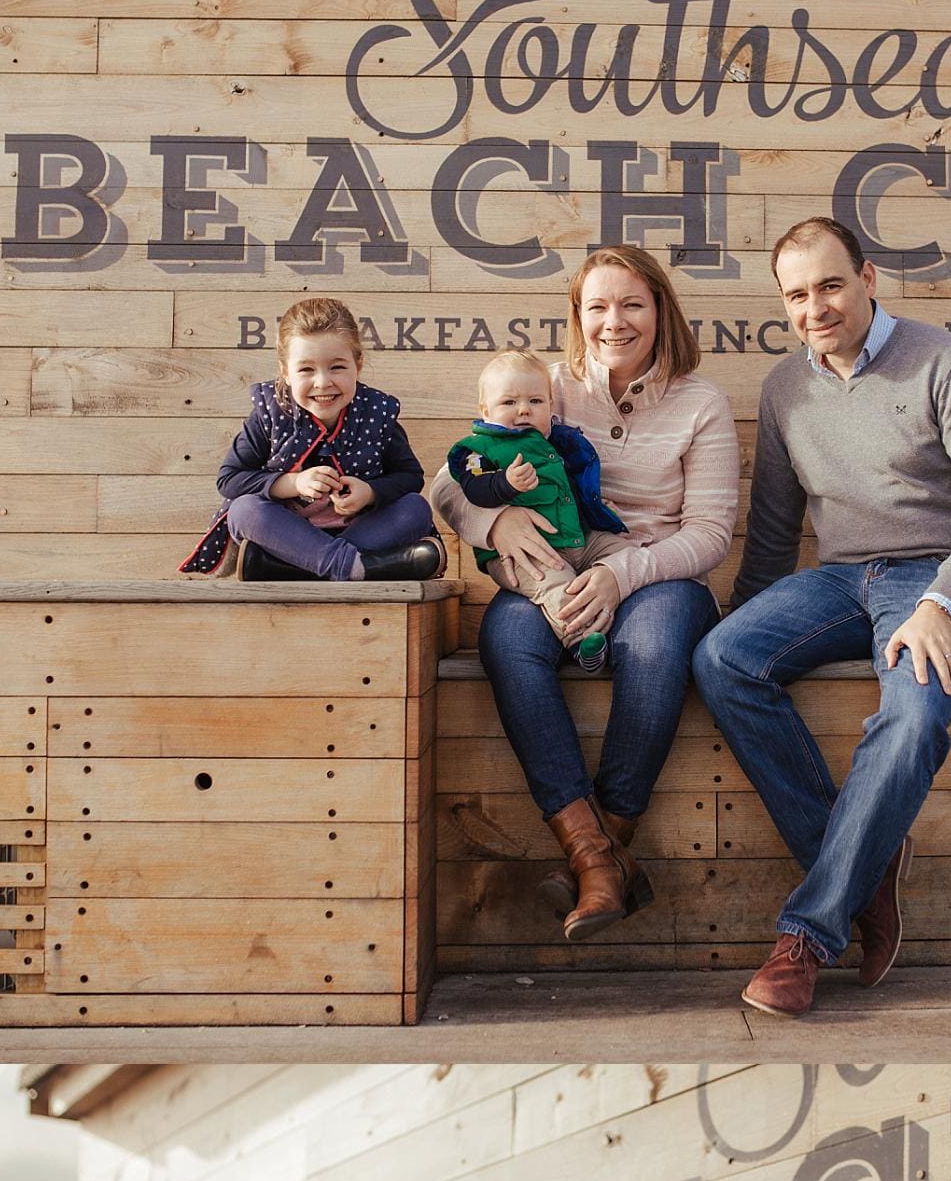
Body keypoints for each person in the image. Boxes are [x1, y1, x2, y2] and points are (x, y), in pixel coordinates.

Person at [692, 219, 951, 1016]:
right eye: (796, 295)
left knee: (910, 718)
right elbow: (774, 533)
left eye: (830, 285)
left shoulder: (941, 361)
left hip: (944, 581)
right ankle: (864, 868)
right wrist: (744, 616)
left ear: (868, 278)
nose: (815, 307)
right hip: (841, 580)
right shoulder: (785, 388)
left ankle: (807, 938)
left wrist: (942, 602)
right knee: (721, 659)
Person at [429, 246, 739, 940]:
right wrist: (495, 521)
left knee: (653, 646)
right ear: (578, 317)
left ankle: (596, 857)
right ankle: (601, 858)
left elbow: (710, 534)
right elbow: (448, 481)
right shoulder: (548, 388)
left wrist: (622, 574)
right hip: (554, 569)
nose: (613, 321)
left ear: (660, 311)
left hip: (660, 577)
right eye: (597, 306)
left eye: (631, 304)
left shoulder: (701, 403)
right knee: (506, 637)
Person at [182, 294, 443, 582]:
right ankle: (356, 567)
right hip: (290, 535)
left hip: (362, 531)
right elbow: (230, 479)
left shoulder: (377, 412)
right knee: (244, 510)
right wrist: (293, 483)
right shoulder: (270, 412)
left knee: (415, 508)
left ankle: (303, 568)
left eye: (337, 367)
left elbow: (409, 477)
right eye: (306, 369)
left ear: (358, 364)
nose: (323, 382)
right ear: (286, 372)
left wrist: (369, 492)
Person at [447, 350, 628, 672]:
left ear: (550, 405)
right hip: (524, 553)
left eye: (535, 401)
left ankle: (626, 618)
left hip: (577, 538)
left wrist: (596, 507)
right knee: (553, 584)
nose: (523, 410)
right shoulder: (477, 450)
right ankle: (581, 641)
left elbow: (570, 489)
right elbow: (474, 489)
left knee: (622, 552)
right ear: (485, 410)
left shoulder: (556, 443)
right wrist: (505, 483)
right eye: (509, 402)